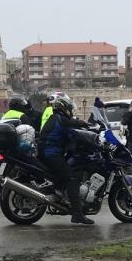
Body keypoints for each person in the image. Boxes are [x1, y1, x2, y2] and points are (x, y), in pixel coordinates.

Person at [38, 94, 94, 225]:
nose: (71, 111)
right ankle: (77, 214)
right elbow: (74, 128)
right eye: (70, 109)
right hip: (51, 153)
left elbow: (71, 127)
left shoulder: (57, 118)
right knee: (72, 178)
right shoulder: (61, 119)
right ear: (64, 108)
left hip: (48, 152)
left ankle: (62, 195)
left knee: (67, 173)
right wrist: (88, 131)